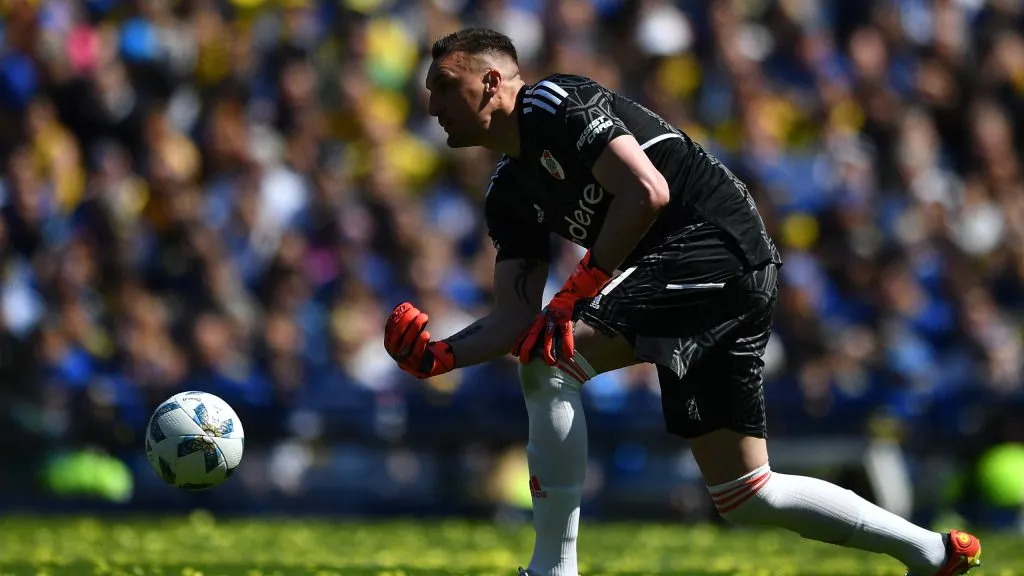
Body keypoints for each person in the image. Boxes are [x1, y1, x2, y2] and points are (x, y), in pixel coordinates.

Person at [382, 28, 982, 576]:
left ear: (491, 83)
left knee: (550, 358)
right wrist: (439, 356)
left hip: (716, 244)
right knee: (746, 495)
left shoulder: (553, 102)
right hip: (718, 272)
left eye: (442, 86)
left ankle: (553, 569)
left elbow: (648, 191)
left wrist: (578, 289)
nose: (430, 105)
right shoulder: (508, 191)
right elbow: (515, 316)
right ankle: (930, 552)